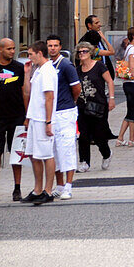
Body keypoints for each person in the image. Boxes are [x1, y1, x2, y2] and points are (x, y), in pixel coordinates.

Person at [44, 35, 81, 199]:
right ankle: (58, 185)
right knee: (54, 151)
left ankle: (68, 185)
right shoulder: (45, 65)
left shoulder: (66, 65)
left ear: (60, 47)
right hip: (51, 113)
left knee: (66, 149)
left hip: (65, 112)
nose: (52, 48)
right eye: (50, 45)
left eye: (55, 45)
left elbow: (77, 88)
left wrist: (71, 102)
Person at [22, 42, 57, 205]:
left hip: (43, 118)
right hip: (34, 117)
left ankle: (48, 190)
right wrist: (27, 74)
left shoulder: (48, 71)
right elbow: (29, 92)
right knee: (33, 154)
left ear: (39, 53)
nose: (29, 57)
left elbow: (49, 97)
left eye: (31, 54)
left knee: (46, 154)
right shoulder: (38, 71)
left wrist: (48, 121)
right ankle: (37, 189)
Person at [74, 42, 113, 173]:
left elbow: (110, 81)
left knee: (99, 135)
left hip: (98, 105)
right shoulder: (77, 70)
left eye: (84, 51)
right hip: (82, 106)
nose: (81, 54)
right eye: (79, 52)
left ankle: (106, 153)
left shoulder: (99, 66)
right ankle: (84, 162)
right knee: (83, 136)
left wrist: (111, 98)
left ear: (90, 52)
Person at [0, 37, 27, 200]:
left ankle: (17, 188)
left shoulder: (18, 68)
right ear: (1, 50)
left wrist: (26, 115)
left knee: (16, 154)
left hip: (16, 116)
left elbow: (24, 91)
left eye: (13, 48)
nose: (12, 51)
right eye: (9, 49)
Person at [78, 14, 116, 79]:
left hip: (102, 73)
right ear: (89, 25)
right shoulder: (86, 43)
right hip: (93, 75)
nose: (100, 25)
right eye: (96, 23)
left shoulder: (97, 37)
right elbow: (111, 52)